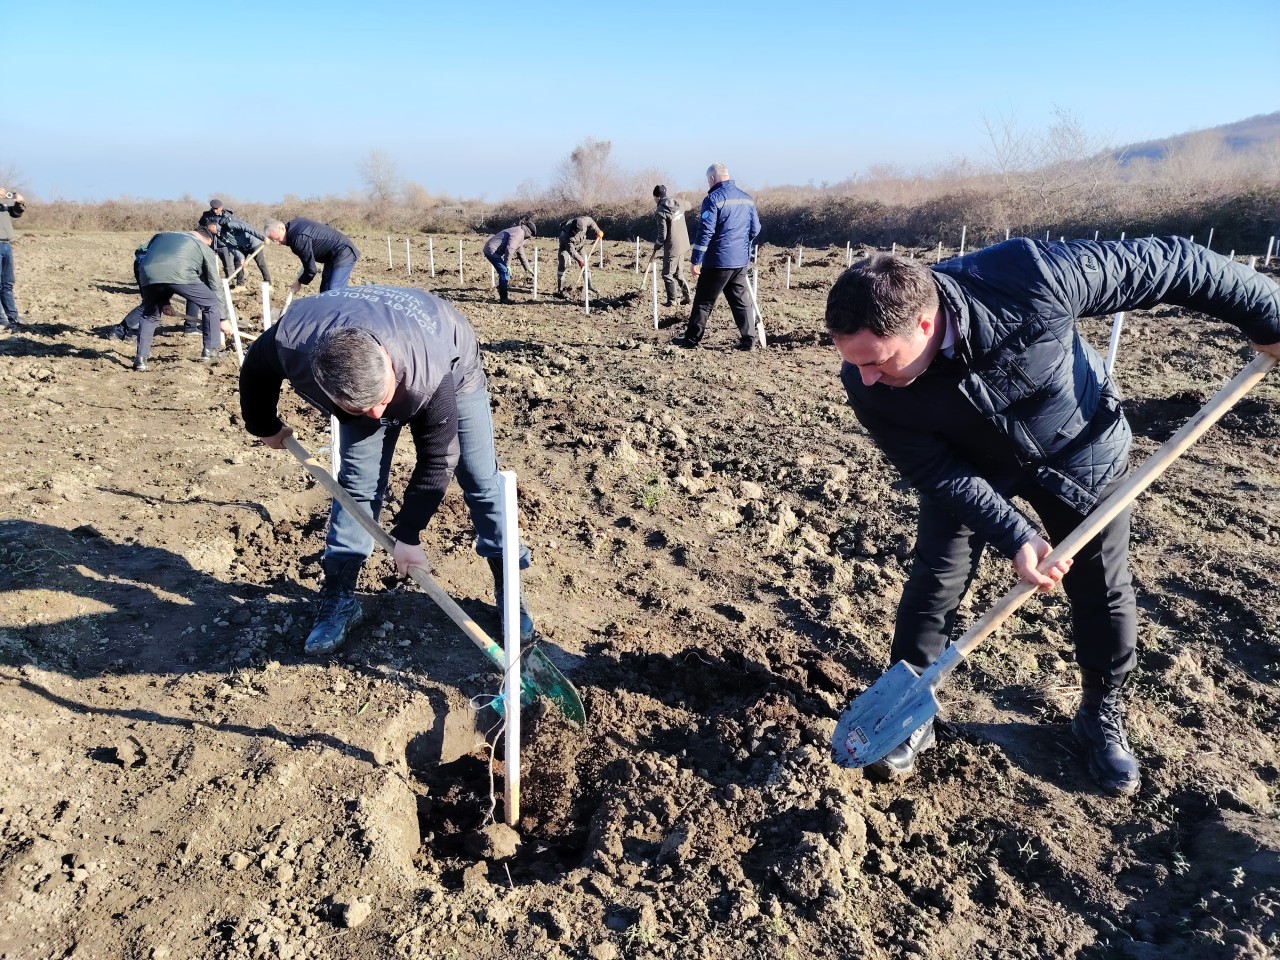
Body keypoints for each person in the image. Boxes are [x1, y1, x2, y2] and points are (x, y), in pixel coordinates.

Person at [823, 238, 1280, 795]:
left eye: (875, 360)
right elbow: (938, 473)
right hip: (968, 464)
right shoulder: (865, 380)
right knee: (935, 580)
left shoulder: (1028, 278)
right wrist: (1016, 534)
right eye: (854, 362)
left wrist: (1269, 317)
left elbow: (1173, 264)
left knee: (1101, 583)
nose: (864, 378)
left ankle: (1099, 713)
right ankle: (909, 704)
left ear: (924, 324)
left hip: (1078, 447)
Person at [238, 284, 537, 656]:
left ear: (388, 368)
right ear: (325, 386)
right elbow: (255, 369)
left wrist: (409, 535)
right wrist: (262, 425)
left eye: (381, 401)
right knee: (357, 485)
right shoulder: (292, 342)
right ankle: (341, 598)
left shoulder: (430, 370)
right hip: (357, 355)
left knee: (479, 478)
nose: (379, 417)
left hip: (449, 356)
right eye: (363, 409)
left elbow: (438, 458)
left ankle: (507, 583)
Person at [675, 163, 762, 351]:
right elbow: (756, 229)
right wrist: (741, 246)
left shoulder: (713, 199)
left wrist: (696, 260)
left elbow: (705, 232)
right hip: (740, 262)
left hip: (717, 262)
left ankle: (691, 339)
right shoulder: (747, 199)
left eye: (708, 180)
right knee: (740, 301)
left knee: (704, 302)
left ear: (713, 178)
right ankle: (749, 340)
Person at [132, 214, 230, 371]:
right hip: (180, 273)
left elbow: (153, 263)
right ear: (207, 240)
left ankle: (140, 359)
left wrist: (163, 302)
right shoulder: (204, 247)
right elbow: (214, 283)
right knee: (211, 303)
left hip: (147, 272)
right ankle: (211, 350)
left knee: (150, 315)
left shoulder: (161, 237)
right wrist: (223, 318)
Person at [264, 218, 360, 294]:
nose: (277, 243)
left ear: (282, 228)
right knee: (325, 292)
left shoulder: (297, 239)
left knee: (334, 290)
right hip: (331, 256)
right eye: (274, 241)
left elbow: (311, 270)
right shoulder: (294, 224)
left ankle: (343, 315)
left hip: (343, 252)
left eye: (276, 238)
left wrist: (299, 282)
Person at [652, 185, 692, 308]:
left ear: (656, 197)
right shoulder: (679, 203)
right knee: (678, 274)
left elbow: (662, 235)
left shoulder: (660, 211)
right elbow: (689, 205)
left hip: (673, 246)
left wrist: (657, 245)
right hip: (683, 243)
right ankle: (687, 296)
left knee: (667, 274)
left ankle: (672, 300)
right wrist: (683, 202)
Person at [482, 218, 537, 304]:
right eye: (531, 236)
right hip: (491, 251)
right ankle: (503, 298)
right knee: (505, 272)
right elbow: (510, 248)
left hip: (493, 250)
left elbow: (520, 253)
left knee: (504, 272)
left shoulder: (520, 233)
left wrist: (528, 268)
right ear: (530, 232)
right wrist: (507, 265)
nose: (530, 238)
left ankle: (501, 290)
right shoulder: (519, 233)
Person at [220, 212, 272, 287]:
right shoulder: (221, 234)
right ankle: (240, 285)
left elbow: (249, 228)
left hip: (253, 242)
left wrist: (263, 237)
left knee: (260, 263)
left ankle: (268, 284)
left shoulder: (233, 224)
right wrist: (241, 258)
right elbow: (232, 248)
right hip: (242, 246)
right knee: (238, 262)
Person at [556, 216, 603, 298]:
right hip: (566, 247)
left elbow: (591, 221)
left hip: (580, 246)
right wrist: (580, 260)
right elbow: (571, 251)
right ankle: (561, 289)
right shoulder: (567, 234)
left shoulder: (584, 221)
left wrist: (598, 231)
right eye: (575, 232)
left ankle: (589, 286)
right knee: (562, 264)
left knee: (586, 265)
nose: (577, 233)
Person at [0, 186, 26, 329]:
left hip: (6, 245)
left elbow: (15, 213)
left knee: (7, 283)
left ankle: (12, 316)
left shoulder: (3, 198)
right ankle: (2, 320)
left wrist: (18, 203)